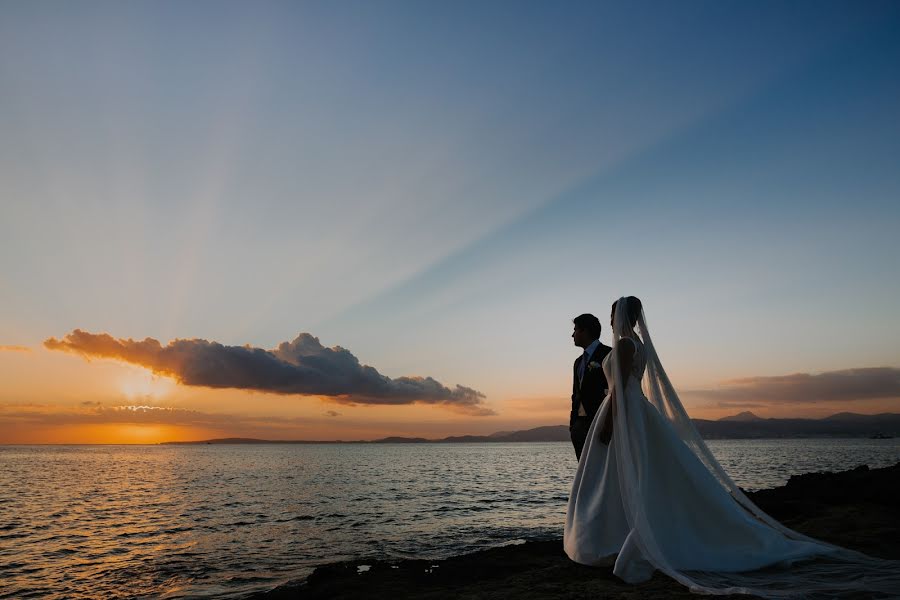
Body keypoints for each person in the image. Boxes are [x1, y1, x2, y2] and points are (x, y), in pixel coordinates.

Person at [564, 296, 900, 598]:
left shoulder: (623, 346)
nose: (609, 320)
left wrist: (608, 425)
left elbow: (621, 390)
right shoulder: (640, 345)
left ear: (620, 316)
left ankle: (613, 537)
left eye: (611, 314)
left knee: (625, 473)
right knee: (641, 474)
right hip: (638, 413)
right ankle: (627, 529)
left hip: (624, 414)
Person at [569, 314, 611, 459]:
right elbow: (575, 394)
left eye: (575, 330)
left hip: (601, 422)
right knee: (584, 472)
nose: (572, 334)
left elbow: (615, 389)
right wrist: (573, 425)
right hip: (579, 426)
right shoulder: (578, 362)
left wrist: (608, 424)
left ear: (585, 331)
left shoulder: (608, 354)